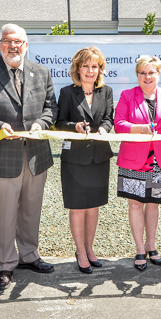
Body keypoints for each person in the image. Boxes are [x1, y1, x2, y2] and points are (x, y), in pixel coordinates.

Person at [0, 23, 58, 290]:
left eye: (18, 42)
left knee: (31, 210)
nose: (13, 46)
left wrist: (41, 124)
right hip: (1, 156)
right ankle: (4, 264)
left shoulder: (41, 72)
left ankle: (29, 255)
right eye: (7, 41)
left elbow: (51, 108)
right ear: (0, 45)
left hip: (36, 156)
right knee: (4, 215)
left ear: (26, 45)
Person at [114, 55, 161, 271]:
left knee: (153, 203)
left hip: (159, 160)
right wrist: (140, 128)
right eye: (142, 73)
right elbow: (118, 124)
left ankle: (152, 246)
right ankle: (139, 249)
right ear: (137, 75)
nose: (147, 77)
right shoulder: (127, 95)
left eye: (151, 72)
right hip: (133, 160)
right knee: (135, 204)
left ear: (159, 74)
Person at [56, 47, 114, 274]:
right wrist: (76, 127)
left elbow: (109, 118)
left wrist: (104, 130)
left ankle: (90, 249)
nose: (90, 71)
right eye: (86, 66)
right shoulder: (67, 93)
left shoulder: (106, 91)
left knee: (93, 206)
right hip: (75, 159)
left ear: (100, 69)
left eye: (95, 66)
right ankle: (80, 252)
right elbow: (59, 122)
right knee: (78, 207)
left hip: (99, 157)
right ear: (77, 68)